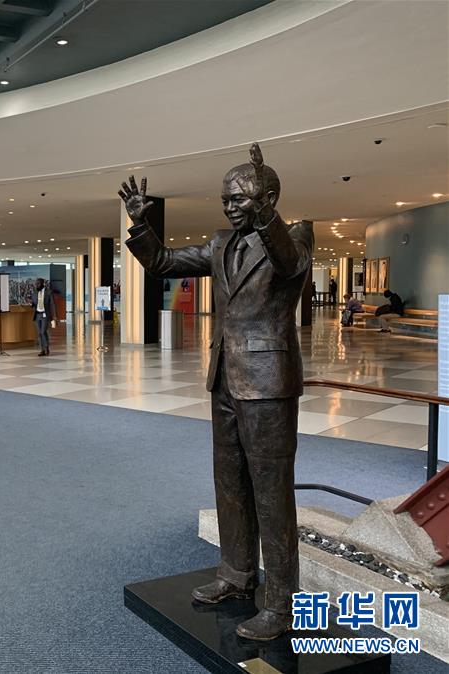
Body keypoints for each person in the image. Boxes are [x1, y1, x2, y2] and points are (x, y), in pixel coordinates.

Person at [119, 143, 312, 641]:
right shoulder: (222, 242)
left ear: (267, 198)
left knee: (270, 490)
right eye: (225, 199)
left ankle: (282, 603)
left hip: (267, 383)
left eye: (239, 198)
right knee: (229, 480)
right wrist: (141, 224)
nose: (229, 207)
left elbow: (289, 264)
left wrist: (266, 219)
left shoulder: (294, 235)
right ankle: (236, 573)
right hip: (224, 376)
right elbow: (163, 262)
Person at [29, 278, 55, 356]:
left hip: (45, 315)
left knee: (43, 331)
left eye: (38, 283)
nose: (36, 285)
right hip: (37, 315)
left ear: (43, 284)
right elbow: (34, 304)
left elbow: (52, 304)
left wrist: (54, 316)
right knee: (39, 333)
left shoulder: (49, 292)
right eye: (36, 284)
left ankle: (46, 348)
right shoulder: (34, 293)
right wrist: (31, 303)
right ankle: (42, 350)